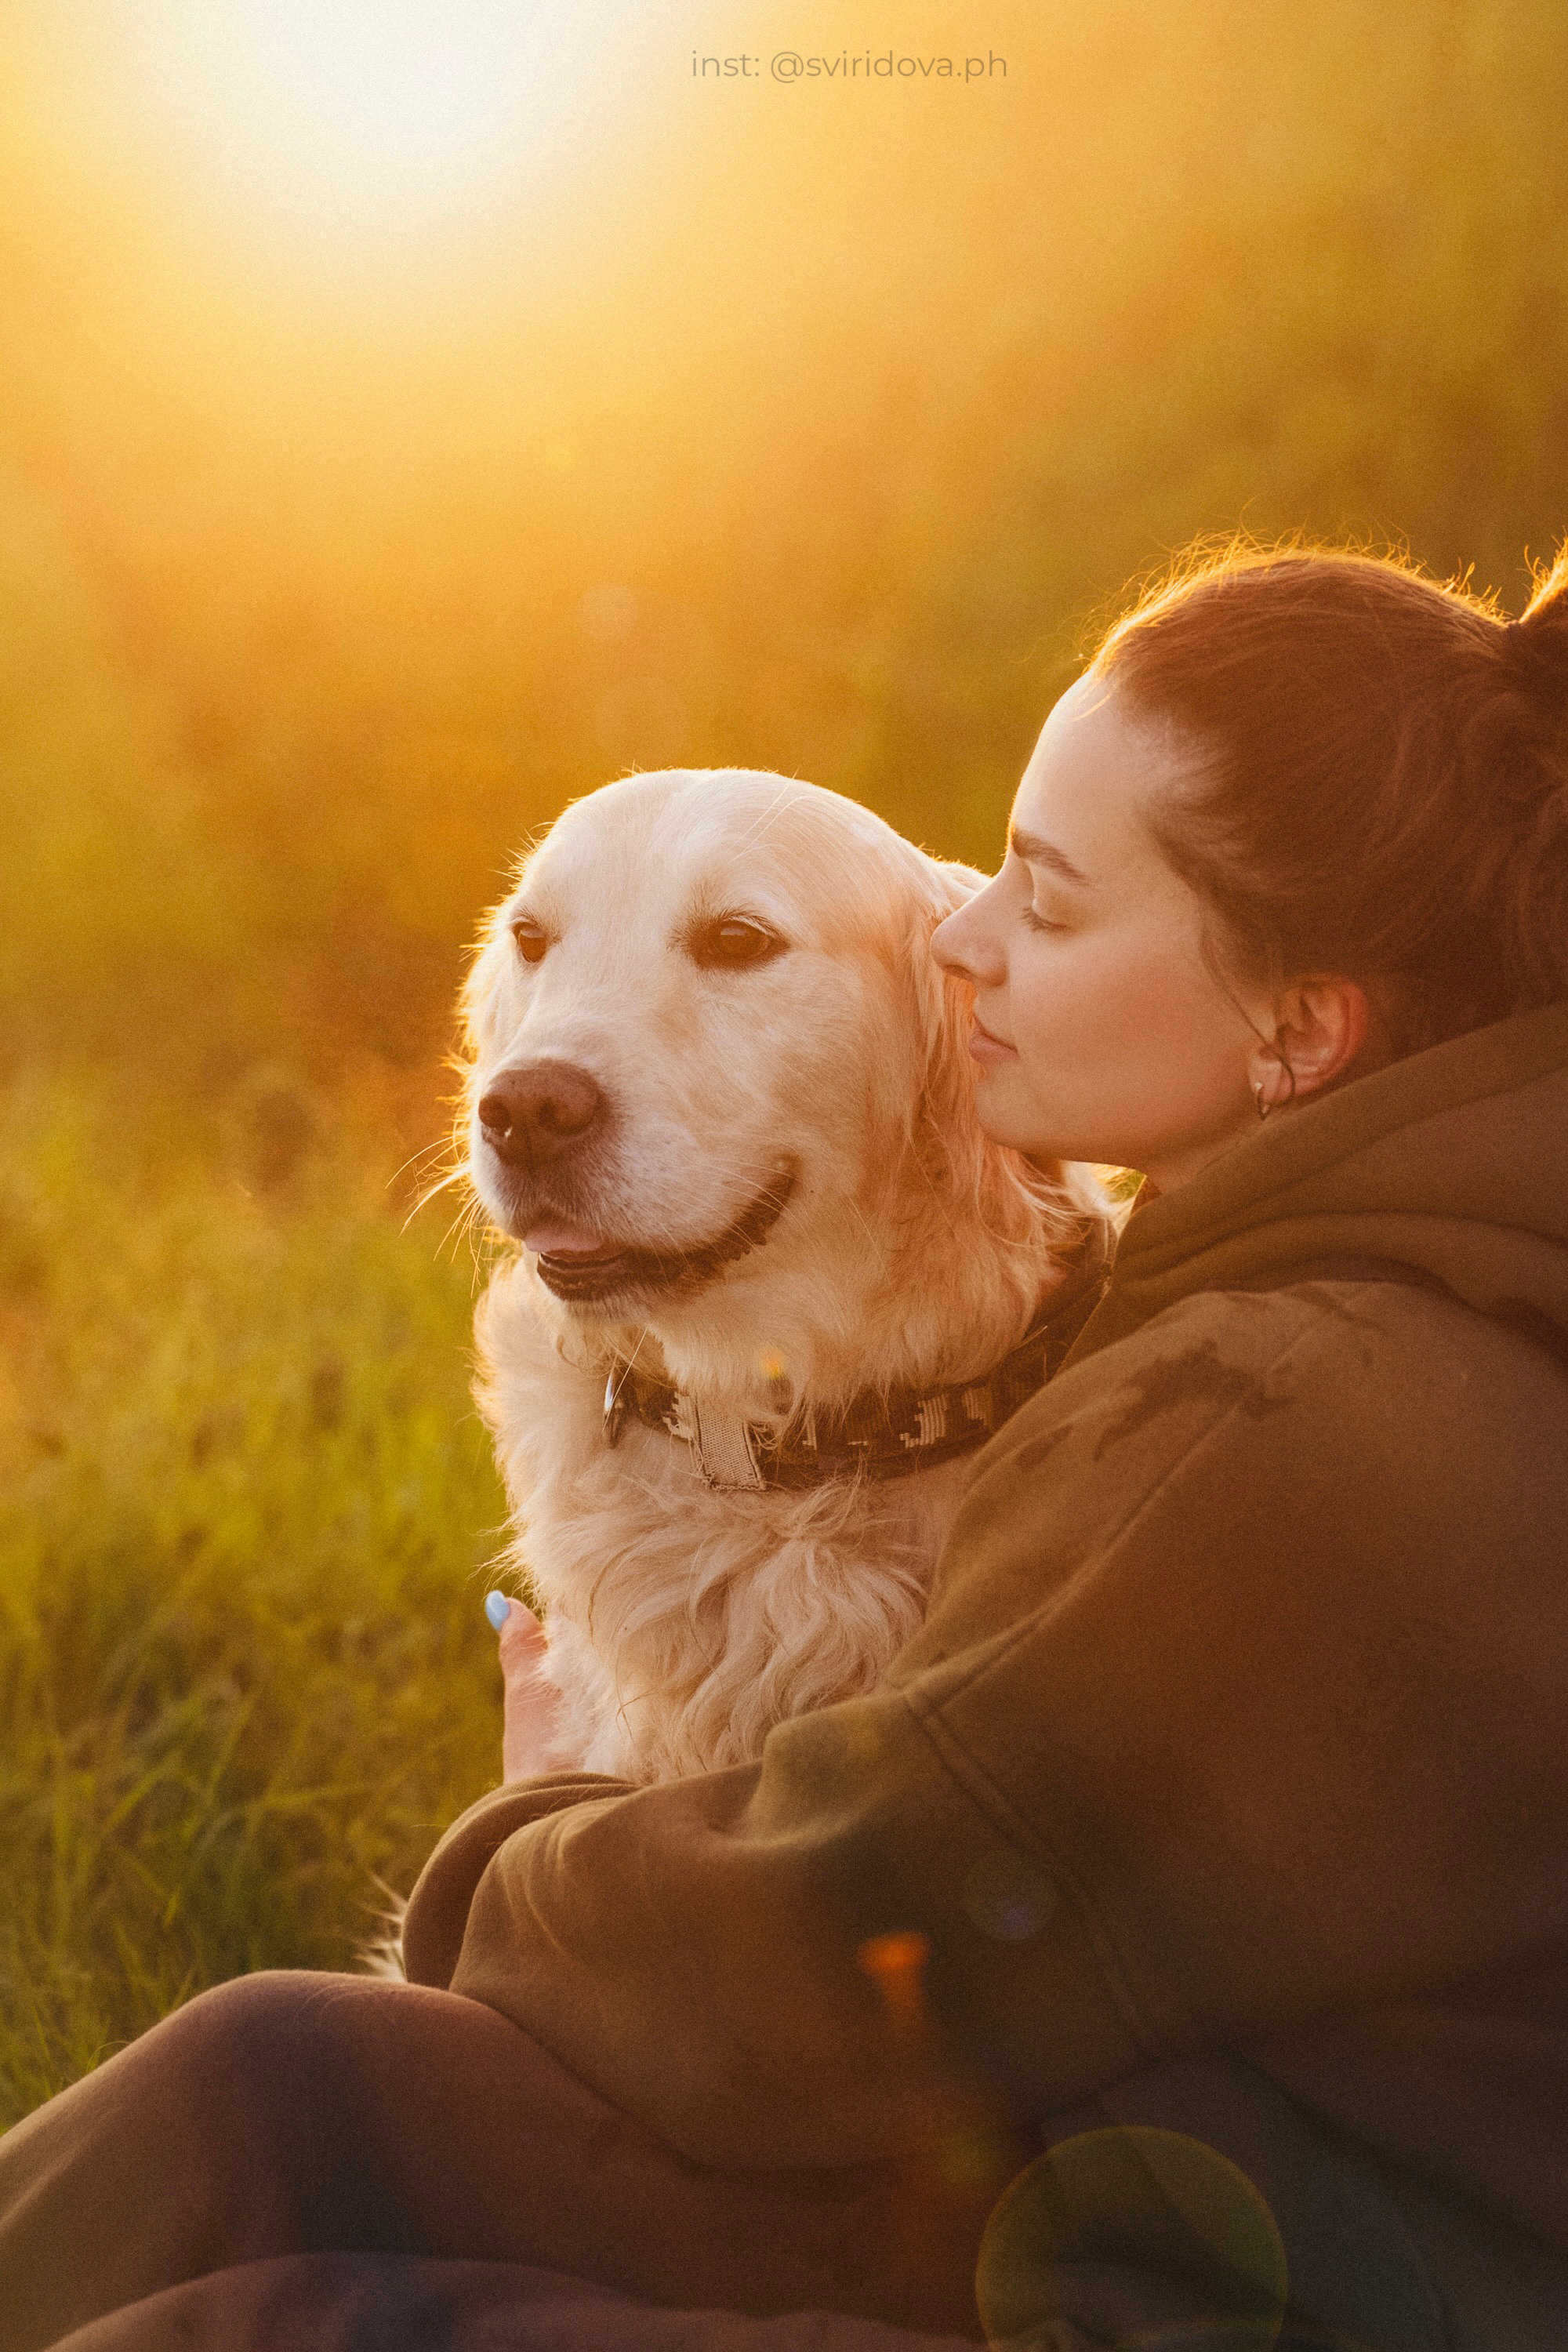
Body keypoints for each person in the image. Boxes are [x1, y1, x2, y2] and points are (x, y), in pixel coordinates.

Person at [2, 539, 1565, 2352]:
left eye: (1046, 907)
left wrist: (538, 1823)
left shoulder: (1281, 1407)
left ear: (1299, 1023)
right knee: (261, 2074)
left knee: (265, 2315)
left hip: (1156, 2290)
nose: (964, 933)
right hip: (1099, 2195)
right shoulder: (1385, 1264)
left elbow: (814, 1964)